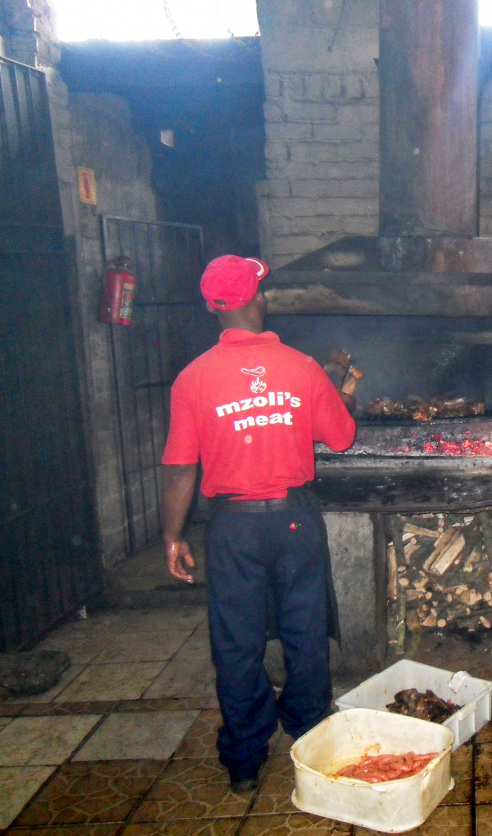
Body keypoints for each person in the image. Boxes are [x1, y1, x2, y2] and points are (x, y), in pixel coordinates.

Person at [161, 254, 356, 792]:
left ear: (211, 307)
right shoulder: (302, 367)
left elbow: (180, 466)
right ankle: (310, 732)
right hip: (295, 521)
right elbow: (342, 438)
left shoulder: (192, 379)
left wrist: (172, 536)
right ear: (258, 298)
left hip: (232, 529)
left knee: (237, 641)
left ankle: (246, 760)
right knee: (305, 630)